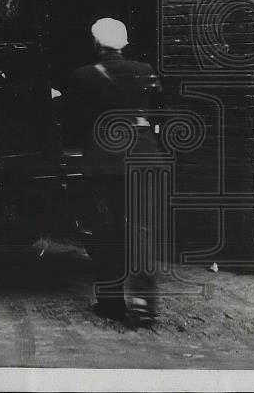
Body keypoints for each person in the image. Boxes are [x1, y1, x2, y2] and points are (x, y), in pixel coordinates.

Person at [62, 18, 163, 324]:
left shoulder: (84, 76)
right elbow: (157, 108)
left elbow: (75, 122)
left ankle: (111, 303)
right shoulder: (145, 71)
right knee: (142, 231)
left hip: (105, 164)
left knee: (107, 232)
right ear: (125, 43)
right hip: (144, 160)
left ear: (96, 45)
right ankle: (144, 303)